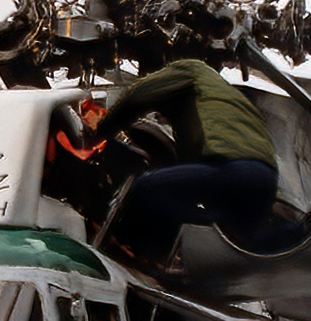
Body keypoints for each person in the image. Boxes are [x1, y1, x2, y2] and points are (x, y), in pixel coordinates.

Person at [95, 59, 278, 259]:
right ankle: (161, 263)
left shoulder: (193, 69)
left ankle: (135, 254)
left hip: (231, 171)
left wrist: (102, 130)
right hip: (265, 182)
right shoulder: (227, 99)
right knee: (189, 211)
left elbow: (139, 96)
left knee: (145, 188)